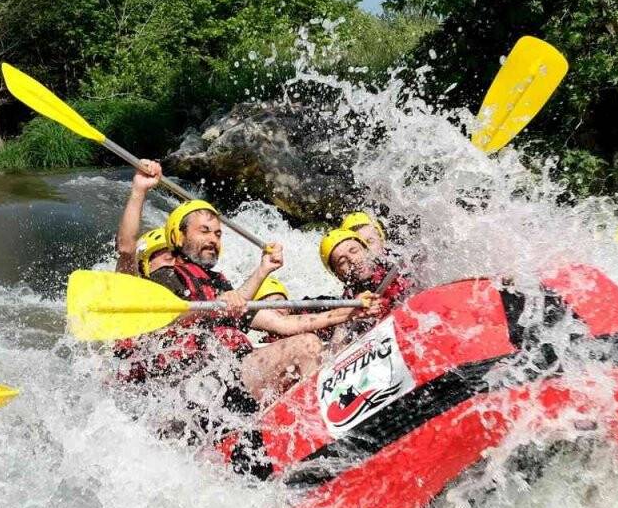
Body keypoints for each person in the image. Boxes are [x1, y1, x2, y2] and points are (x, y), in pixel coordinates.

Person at [133, 196, 371, 405]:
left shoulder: (216, 283)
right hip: (201, 385)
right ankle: (320, 422)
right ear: (178, 235)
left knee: (310, 343)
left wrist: (352, 310)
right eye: (204, 231)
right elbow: (167, 317)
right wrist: (215, 305)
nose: (213, 239)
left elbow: (285, 324)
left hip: (235, 371)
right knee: (305, 346)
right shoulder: (164, 277)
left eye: (217, 233)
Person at [319, 228, 413, 327]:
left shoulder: (398, 268)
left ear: (366, 250)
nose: (353, 260)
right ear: (338, 275)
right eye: (342, 262)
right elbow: (339, 336)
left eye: (354, 251)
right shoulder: (349, 302)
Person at [115, 160, 168, 275]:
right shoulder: (133, 281)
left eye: (175, 256)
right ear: (144, 265)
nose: (172, 263)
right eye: (167, 258)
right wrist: (139, 190)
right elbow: (126, 249)